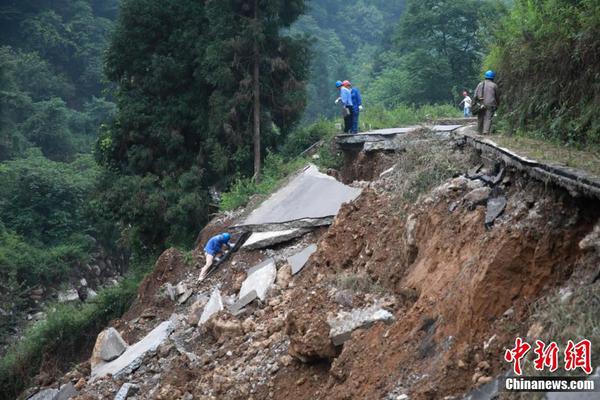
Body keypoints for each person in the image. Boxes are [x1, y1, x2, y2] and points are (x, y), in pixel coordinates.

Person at [474, 70, 500, 134]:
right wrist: (498, 104)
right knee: (488, 118)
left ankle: (479, 132)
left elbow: (475, 95)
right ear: (493, 78)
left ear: (485, 77)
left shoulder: (480, 84)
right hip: (490, 104)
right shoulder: (494, 85)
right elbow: (497, 96)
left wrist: (476, 103)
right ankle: (485, 132)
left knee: (480, 118)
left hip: (480, 104)